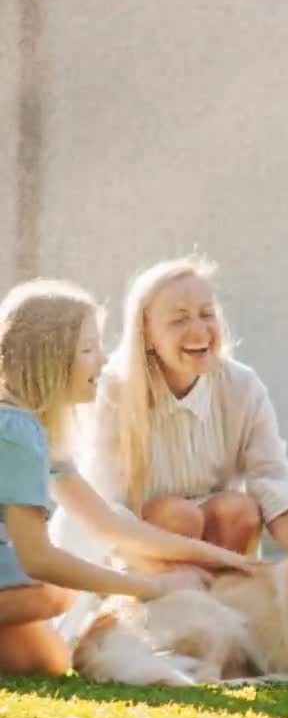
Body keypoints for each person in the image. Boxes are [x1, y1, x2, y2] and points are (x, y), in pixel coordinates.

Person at [0, 279, 251, 676]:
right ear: (49, 358)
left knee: (50, 661)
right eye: (87, 348)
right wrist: (152, 587)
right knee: (55, 594)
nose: (101, 360)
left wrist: (223, 559)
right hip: (29, 586)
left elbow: (112, 526)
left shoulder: (35, 431)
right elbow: (38, 558)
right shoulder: (14, 429)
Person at [67, 256, 288, 560]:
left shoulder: (242, 386)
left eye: (207, 314)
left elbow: (274, 486)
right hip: (140, 545)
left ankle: (224, 599)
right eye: (179, 319)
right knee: (177, 515)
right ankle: (171, 599)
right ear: (147, 336)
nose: (199, 331)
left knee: (238, 509)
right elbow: (107, 505)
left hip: (222, 541)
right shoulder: (113, 391)